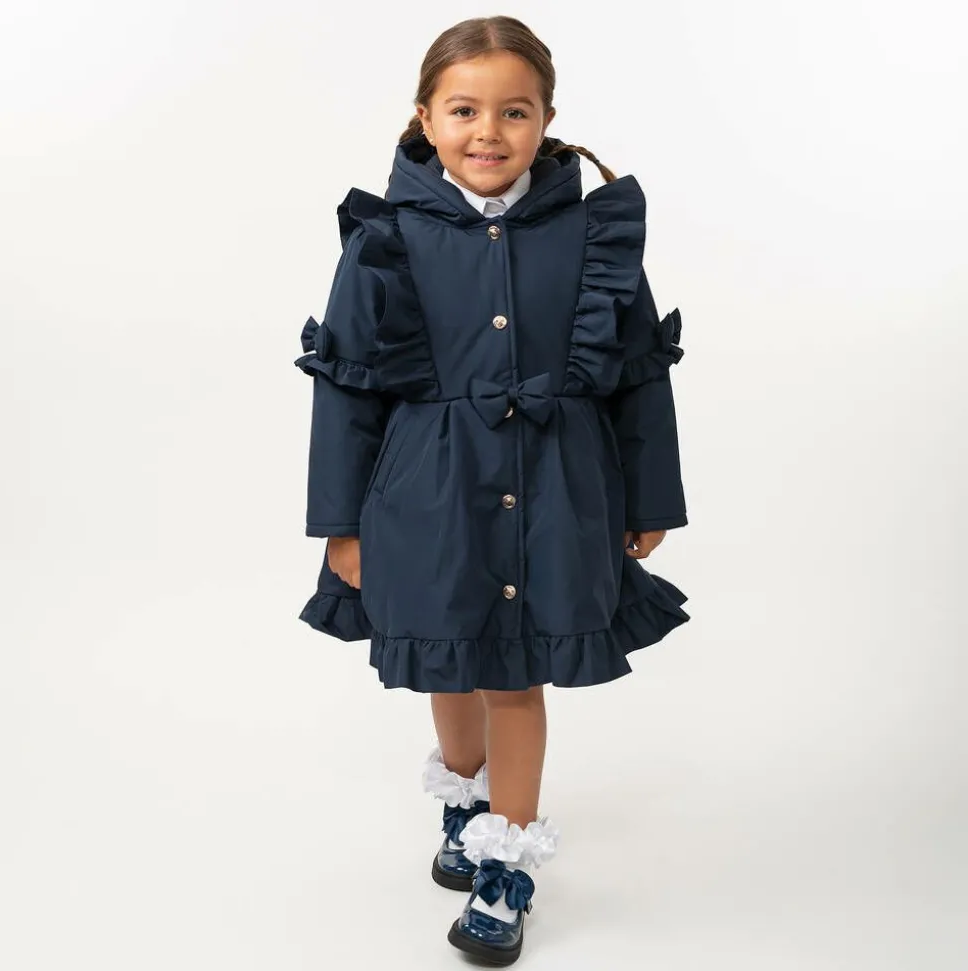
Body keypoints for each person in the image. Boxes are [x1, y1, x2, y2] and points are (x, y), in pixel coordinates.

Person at [294, 15, 690, 965]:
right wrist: (340, 523)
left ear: (546, 118)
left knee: (515, 672)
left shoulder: (594, 237)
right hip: (427, 495)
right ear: (425, 117)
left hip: (558, 491)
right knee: (446, 661)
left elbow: (640, 375)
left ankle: (507, 864)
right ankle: (466, 803)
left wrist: (650, 500)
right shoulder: (386, 240)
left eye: (514, 111)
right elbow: (347, 387)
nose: (488, 131)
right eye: (464, 109)